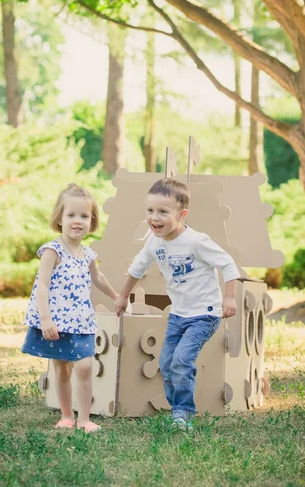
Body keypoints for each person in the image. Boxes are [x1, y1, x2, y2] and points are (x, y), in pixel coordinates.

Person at [115, 177, 240, 430]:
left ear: (182, 214)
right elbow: (136, 269)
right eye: (150, 211)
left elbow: (227, 264)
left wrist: (229, 297)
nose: (155, 218)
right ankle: (177, 410)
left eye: (163, 212)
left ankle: (183, 412)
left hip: (204, 315)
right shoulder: (154, 243)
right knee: (166, 364)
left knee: (182, 361)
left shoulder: (196, 241)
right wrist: (123, 295)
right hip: (178, 315)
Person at [22, 183, 118, 433]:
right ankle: (66, 416)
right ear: (60, 219)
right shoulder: (52, 251)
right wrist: (45, 319)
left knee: (85, 366)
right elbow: (41, 286)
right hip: (57, 321)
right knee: (62, 368)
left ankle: (84, 419)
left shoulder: (88, 254)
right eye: (71, 215)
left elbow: (98, 278)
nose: (78, 221)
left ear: (92, 220)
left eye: (84, 216)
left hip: (82, 320)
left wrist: (115, 296)